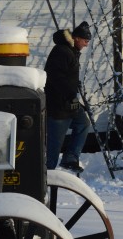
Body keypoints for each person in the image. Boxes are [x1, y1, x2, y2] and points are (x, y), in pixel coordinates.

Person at [45, 21, 92, 173]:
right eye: (85, 41)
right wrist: (70, 97)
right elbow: (56, 78)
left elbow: (67, 77)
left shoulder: (70, 51)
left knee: (83, 123)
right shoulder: (62, 51)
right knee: (55, 143)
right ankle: (47, 173)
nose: (86, 45)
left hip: (69, 102)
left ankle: (70, 158)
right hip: (59, 105)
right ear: (77, 38)